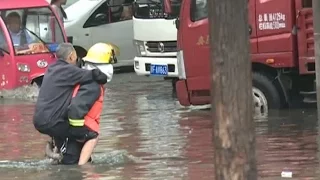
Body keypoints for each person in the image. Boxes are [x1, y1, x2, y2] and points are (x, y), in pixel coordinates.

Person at [46, 43, 115, 165]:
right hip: (74, 130)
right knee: (76, 161)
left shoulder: (86, 81)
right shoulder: (93, 86)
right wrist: (77, 131)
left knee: (73, 161)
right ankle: (82, 170)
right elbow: (75, 109)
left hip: (70, 128)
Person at [33, 43, 108, 148]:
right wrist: (104, 78)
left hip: (39, 121)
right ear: (71, 56)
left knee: (65, 133)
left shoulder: (51, 69)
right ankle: (83, 164)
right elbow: (94, 75)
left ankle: (56, 151)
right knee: (91, 135)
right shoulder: (67, 70)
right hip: (53, 122)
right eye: (76, 58)